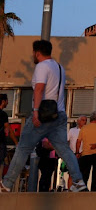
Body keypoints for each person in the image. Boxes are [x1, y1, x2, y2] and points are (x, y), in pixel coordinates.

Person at [0, 40, 88, 192]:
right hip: (59, 115)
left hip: (43, 115)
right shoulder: (59, 67)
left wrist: (35, 112)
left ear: (37, 52)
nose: (33, 55)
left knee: (23, 148)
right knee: (64, 150)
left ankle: (6, 184)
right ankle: (78, 181)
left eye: (33, 53)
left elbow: (39, 89)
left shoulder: (42, 66)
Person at [77, 111, 96, 191]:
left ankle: (83, 190)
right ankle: (94, 191)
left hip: (85, 154)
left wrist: (77, 152)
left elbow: (78, 141)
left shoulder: (84, 128)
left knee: (84, 174)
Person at [66, 115, 87, 188]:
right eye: (83, 120)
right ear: (78, 121)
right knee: (71, 173)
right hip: (73, 154)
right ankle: (70, 189)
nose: (84, 122)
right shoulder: (72, 130)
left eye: (85, 120)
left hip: (83, 154)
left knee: (82, 174)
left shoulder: (86, 131)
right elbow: (67, 141)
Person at [0, 94, 18, 177]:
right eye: (7, 101)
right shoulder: (3, 114)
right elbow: (9, 129)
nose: (8, 103)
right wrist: (16, 143)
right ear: (3, 101)